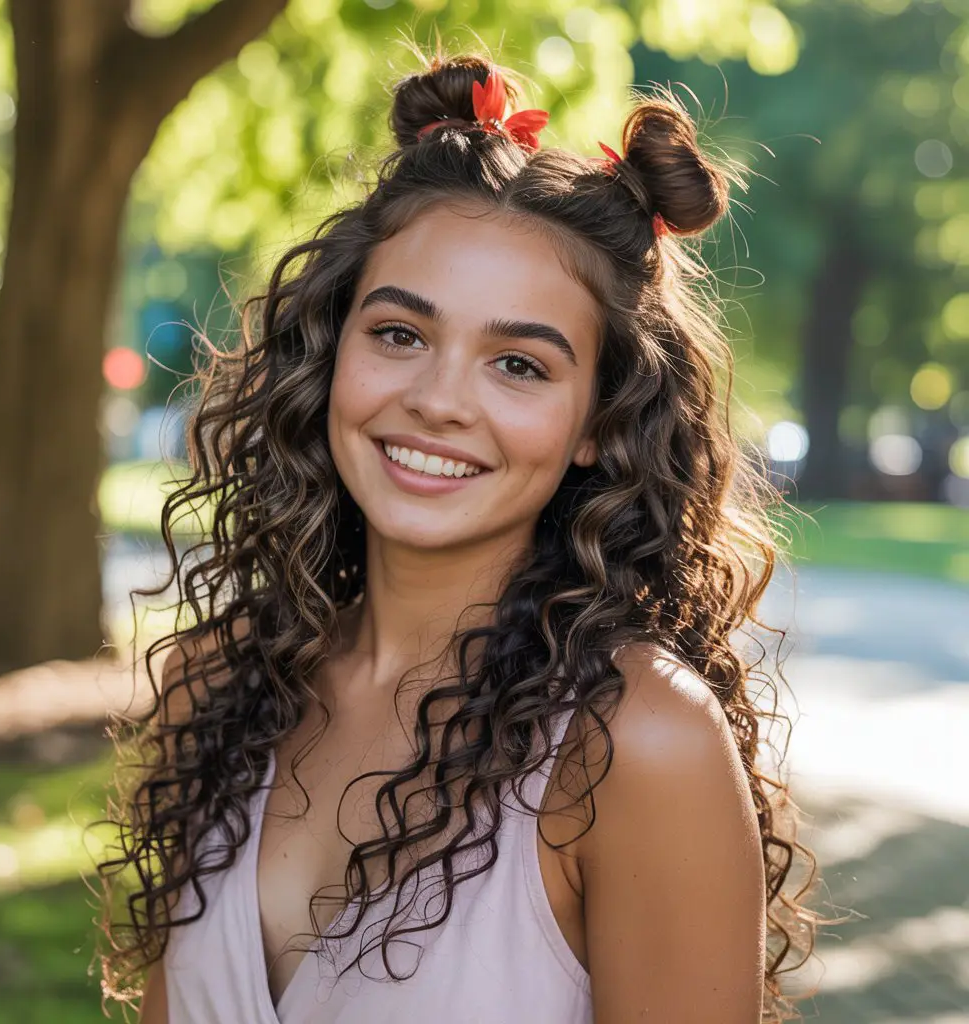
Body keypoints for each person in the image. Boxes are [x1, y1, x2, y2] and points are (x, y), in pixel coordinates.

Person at [98, 47, 827, 1024]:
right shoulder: (216, 688)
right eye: (399, 334)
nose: (437, 401)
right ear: (330, 349)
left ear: (597, 425)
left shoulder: (633, 745)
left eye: (519, 364)